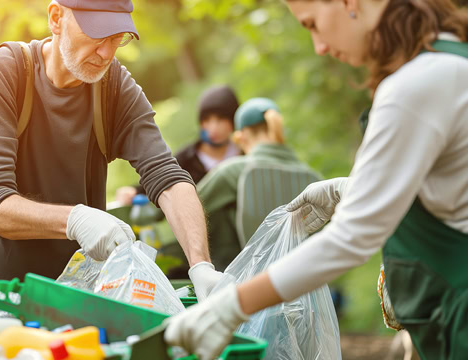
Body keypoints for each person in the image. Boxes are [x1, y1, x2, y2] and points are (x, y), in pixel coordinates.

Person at [165, 0, 468, 359]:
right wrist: (348, 189)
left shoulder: (414, 85)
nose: (319, 47)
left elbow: (351, 238)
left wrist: (231, 306)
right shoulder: (445, 60)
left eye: (312, 24)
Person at [0, 0, 223, 300]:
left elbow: (168, 178)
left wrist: (201, 265)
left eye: (117, 38)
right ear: (56, 18)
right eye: (97, 35)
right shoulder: (4, 71)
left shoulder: (113, 88)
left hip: (74, 300)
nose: (107, 53)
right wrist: (76, 220)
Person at [197, 97, 319, 270]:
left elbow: (190, 207)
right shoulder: (313, 177)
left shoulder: (232, 172)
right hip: (309, 281)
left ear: (242, 137)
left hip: (253, 284)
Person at [114, 85, 240, 205]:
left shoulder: (243, 151)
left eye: (220, 120)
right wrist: (133, 191)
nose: (213, 128)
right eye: (207, 120)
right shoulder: (187, 159)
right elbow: (161, 179)